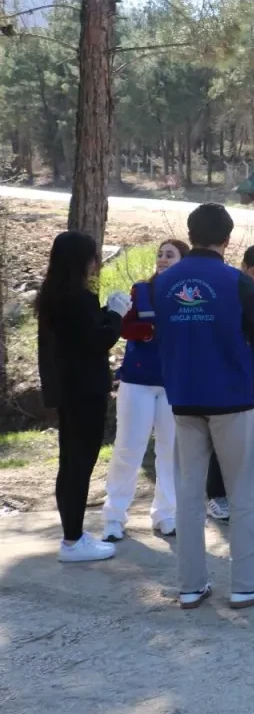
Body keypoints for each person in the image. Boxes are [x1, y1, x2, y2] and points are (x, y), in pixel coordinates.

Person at [153, 203, 254, 608]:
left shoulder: (163, 282)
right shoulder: (237, 282)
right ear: (227, 240)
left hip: (183, 399)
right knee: (244, 491)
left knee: (190, 493)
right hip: (230, 397)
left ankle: (191, 585)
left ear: (189, 233)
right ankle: (247, 584)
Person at [36, 231, 127, 563]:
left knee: (70, 462)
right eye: (92, 256)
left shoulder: (54, 295)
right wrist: (116, 315)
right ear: (81, 260)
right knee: (80, 464)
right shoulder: (77, 298)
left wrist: (104, 312)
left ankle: (72, 534)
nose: (95, 263)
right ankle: (73, 541)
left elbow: (80, 334)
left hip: (66, 389)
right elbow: (97, 341)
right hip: (85, 390)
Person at [102, 239, 189, 542]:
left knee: (170, 451)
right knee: (129, 447)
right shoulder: (142, 290)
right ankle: (114, 516)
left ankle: (165, 513)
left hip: (173, 383)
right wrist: (151, 330)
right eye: (160, 255)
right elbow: (124, 328)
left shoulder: (190, 294)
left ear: (184, 261)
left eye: (170, 255)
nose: (163, 259)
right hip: (138, 381)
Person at [206, 243, 254, 519]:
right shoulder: (227, 287)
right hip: (230, 373)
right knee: (223, 435)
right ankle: (217, 494)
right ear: (243, 266)